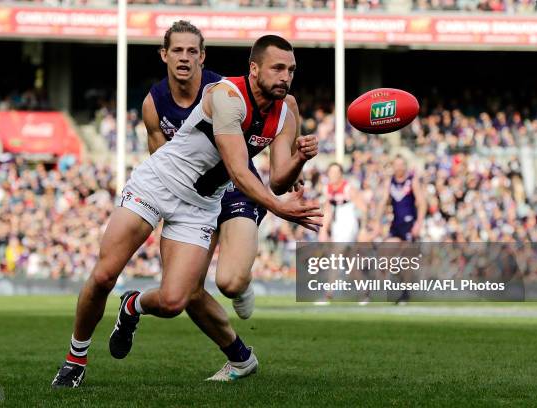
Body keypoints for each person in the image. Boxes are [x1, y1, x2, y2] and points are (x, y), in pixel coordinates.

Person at [52, 34, 321, 387]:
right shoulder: (226, 96)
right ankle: (76, 358)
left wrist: (299, 158)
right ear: (254, 69)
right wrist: (282, 211)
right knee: (104, 275)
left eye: (291, 70)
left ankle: (132, 305)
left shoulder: (288, 111)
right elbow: (240, 172)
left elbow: (280, 181)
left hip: (200, 206)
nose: (286, 76)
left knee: (174, 300)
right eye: (278, 68)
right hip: (158, 184)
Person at [142, 21, 302, 320]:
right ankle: (238, 355)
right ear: (164, 55)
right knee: (184, 292)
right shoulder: (154, 104)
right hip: (195, 197)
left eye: (192, 51)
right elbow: (160, 160)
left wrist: (293, 156)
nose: (185, 58)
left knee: (230, 282)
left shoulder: (223, 89)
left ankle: (242, 286)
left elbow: (287, 104)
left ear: (202, 57)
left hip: (235, 188)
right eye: (178, 50)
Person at [375, 155, 426, 304]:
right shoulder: (389, 182)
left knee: (407, 259)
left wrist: (419, 223)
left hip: (410, 224)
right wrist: (377, 222)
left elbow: (422, 203)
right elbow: (383, 202)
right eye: (396, 164)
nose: (399, 167)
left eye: (402, 164)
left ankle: (405, 292)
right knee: (385, 253)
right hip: (396, 225)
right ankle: (396, 283)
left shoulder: (411, 180)